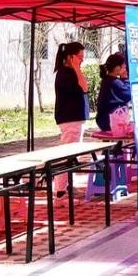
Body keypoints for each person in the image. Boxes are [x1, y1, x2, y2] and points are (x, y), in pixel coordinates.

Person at [53, 41, 89, 194]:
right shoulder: (64, 74)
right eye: (79, 57)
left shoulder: (71, 72)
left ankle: (68, 185)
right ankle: (60, 191)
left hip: (76, 118)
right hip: (70, 119)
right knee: (66, 154)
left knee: (73, 155)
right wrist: (76, 67)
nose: (82, 60)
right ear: (70, 57)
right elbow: (84, 87)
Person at [95, 52, 131, 132]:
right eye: (124, 67)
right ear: (117, 68)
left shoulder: (107, 80)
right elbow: (128, 95)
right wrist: (125, 79)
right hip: (109, 121)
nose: (125, 69)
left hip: (104, 119)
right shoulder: (114, 82)